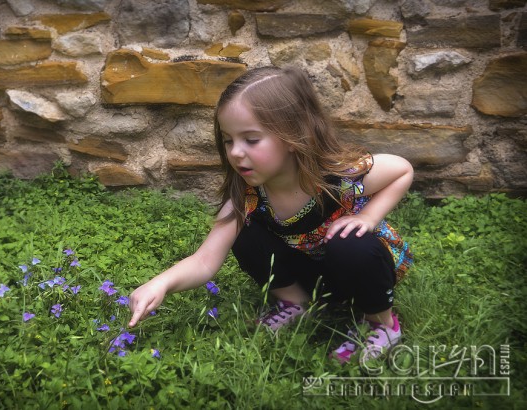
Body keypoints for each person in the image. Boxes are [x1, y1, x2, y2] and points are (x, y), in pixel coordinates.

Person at [128, 66, 414, 364]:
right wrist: (160, 282)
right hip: (313, 272)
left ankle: (382, 322)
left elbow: (401, 169)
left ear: (293, 136)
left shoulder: (336, 180)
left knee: (351, 244)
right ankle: (295, 302)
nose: (236, 152)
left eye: (251, 140)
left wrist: (367, 218)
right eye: (229, 140)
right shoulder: (248, 198)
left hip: (358, 268)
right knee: (243, 231)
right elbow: (204, 260)